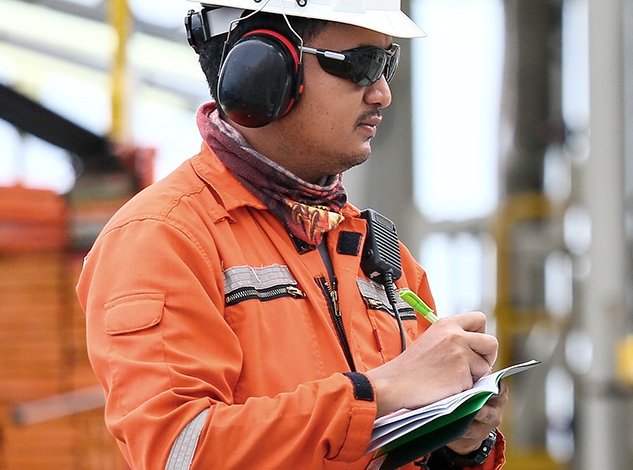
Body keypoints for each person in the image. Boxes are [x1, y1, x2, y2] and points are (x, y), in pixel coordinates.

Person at [77, 1, 509, 468]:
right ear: (266, 69)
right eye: (363, 65)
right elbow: (179, 452)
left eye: (388, 63)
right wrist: (380, 392)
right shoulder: (164, 238)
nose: (382, 93)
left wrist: (460, 445)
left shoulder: (382, 255)